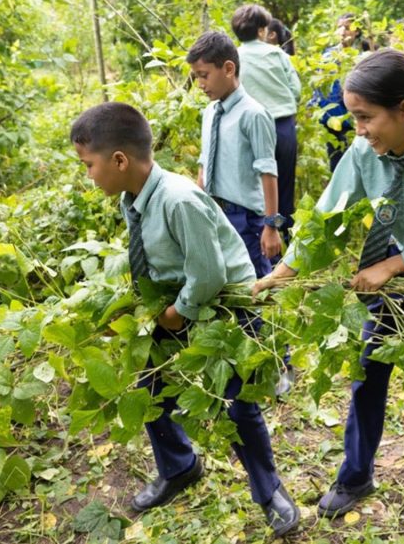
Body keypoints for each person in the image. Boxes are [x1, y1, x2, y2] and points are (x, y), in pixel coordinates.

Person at [254, 49, 404, 518]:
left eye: (366, 118)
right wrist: (285, 272)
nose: (358, 130)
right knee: (368, 371)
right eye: (354, 118)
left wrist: (392, 266)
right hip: (397, 271)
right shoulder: (366, 152)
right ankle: (356, 475)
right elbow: (326, 212)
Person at [70, 101, 299, 536]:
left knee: (236, 403)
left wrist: (178, 313)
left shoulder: (178, 199)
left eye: (89, 164)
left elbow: (209, 273)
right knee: (149, 387)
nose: (89, 175)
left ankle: (269, 490)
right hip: (176, 303)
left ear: (119, 160)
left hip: (221, 307)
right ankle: (179, 467)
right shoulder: (131, 198)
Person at [186, 31, 282, 280]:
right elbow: (204, 163)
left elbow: (268, 171)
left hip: (246, 219)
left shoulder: (254, 114)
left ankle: (256, 321)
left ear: (228, 69)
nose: (200, 84)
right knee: (224, 278)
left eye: (204, 76)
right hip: (215, 213)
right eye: (196, 77)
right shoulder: (209, 112)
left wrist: (271, 226)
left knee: (252, 284)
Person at [231, 4, 301, 251]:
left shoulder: (234, 58)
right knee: (283, 189)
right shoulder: (277, 54)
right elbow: (296, 90)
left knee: (257, 188)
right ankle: (286, 244)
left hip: (249, 128)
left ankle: (260, 245)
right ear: (262, 30)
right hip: (282, 125)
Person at [311, 14, 372, 172]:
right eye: (339, 27)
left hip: (354, 121)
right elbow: (319, 87)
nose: (342, 31)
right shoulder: (327, 56)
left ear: (356, 32)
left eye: (347, 27)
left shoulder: (360, 58)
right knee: (337, 165)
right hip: (333, 119)